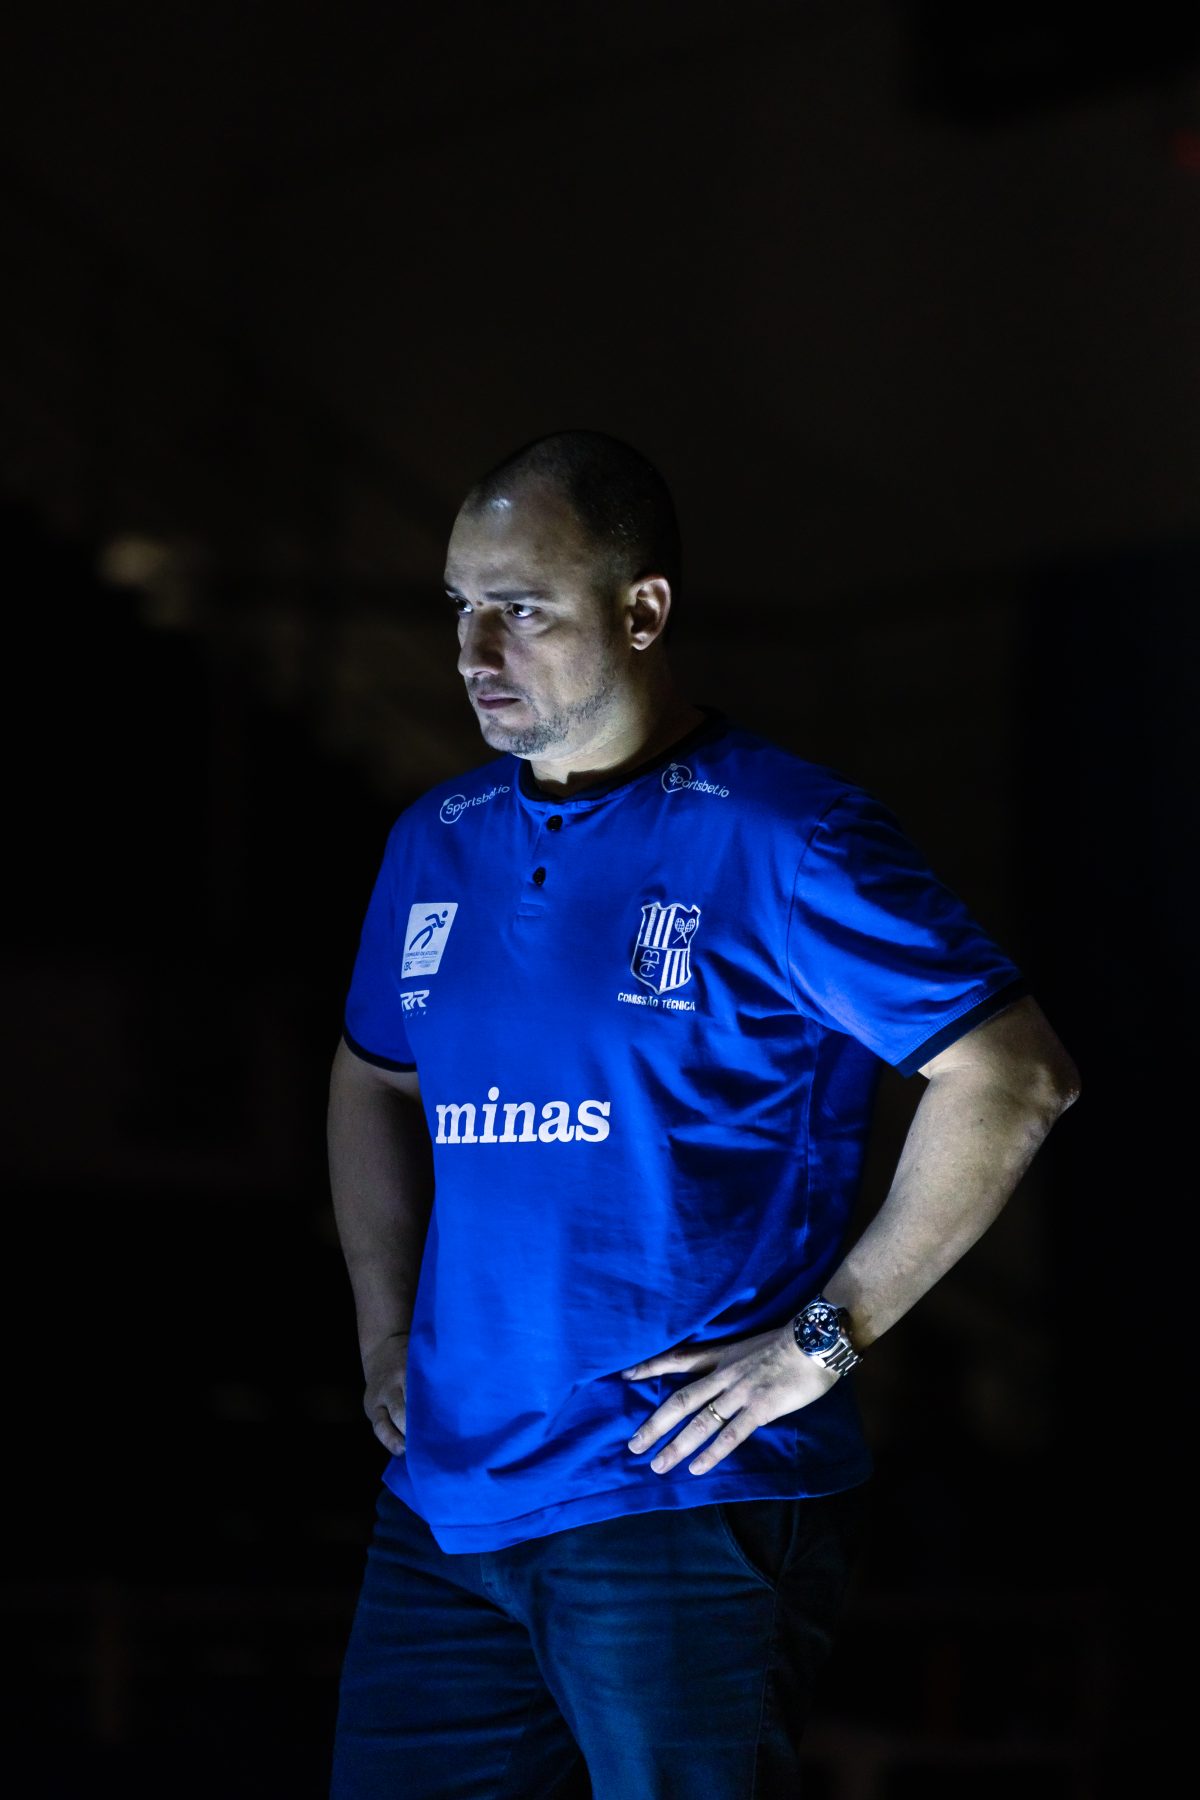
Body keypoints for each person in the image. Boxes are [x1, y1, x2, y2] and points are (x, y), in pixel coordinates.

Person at [326, 429, 1080, 1799]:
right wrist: (385, 1327)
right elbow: (372, 1076)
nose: (474, 650)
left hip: (684, 1497)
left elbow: (1014, 1073)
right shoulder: (434, 840)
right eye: (459, 606)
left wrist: (825, 1342)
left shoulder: (787, 836)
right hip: (445, 1503)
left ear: (643, 610)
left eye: (522, 609)